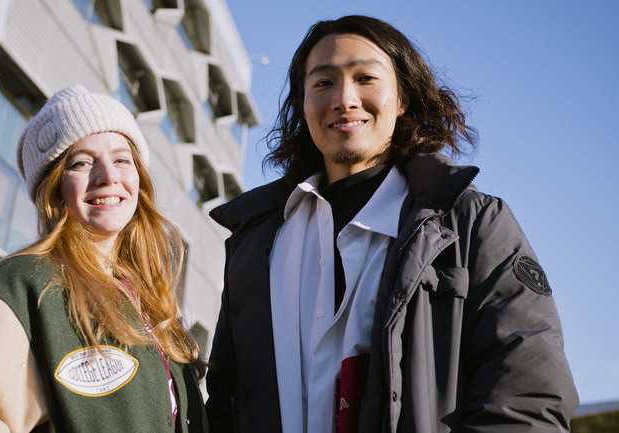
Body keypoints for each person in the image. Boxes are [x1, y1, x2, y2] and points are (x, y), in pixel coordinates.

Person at [205, 15, 578, 433]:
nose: (344, 99)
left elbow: (527, 395)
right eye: (323, 82)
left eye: (365, 78)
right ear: (302, 104)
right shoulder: (255, 243)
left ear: (402, 99)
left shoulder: (472, 223)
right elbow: (223, 401)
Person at [0, 85, 206, 432]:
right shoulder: (15, 288)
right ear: (54, 187)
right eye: (82, 162)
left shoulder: (156, 307)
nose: (108, 176)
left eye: (122, 159)